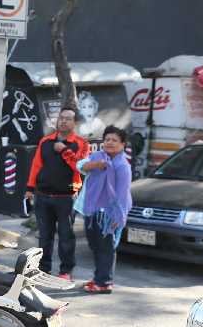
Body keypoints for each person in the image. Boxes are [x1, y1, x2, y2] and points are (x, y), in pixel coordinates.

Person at [25, 107, 90, 281]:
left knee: (66, 237)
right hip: (43, 196)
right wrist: (30, 189)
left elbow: (80, 166)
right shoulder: (45, 141)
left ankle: (66, 271)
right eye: (61, 118)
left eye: (68, 118)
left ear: (75, 123)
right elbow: (36, 166)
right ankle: (42, 269)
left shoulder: (81, 143)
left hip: (67, 198)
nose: (63, 121)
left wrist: (64, 150)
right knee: (44, 236)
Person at [75, 125, 132, 294]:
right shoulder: (97, 157)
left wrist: (117, 216)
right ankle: (99, 277)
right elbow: (80, 166)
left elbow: (122, 194)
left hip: (109, 214)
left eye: (114, 140)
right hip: (92, 210)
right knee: (95, 245)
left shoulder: (122, 166)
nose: (110, 143)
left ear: (122, 145)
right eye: (107, 139)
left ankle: (104, 282)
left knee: (106, 248)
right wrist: (95, 165)